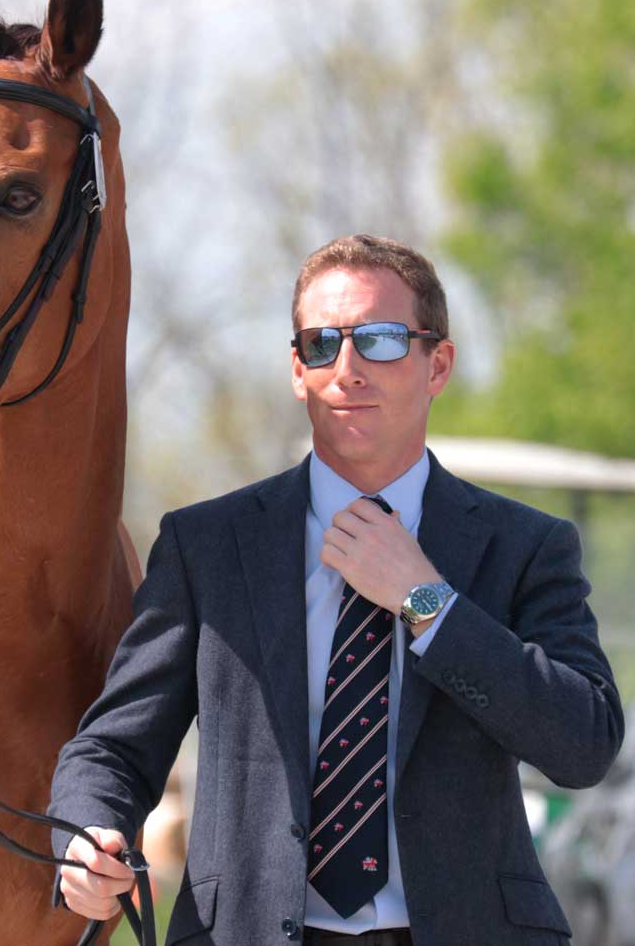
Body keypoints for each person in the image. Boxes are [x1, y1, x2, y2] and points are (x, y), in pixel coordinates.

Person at [47, 234, 624, 946]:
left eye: (380, 341)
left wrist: (427, 602)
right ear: (298, 370)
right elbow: (113, 748)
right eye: (322, 344)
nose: (347, 369)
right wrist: (87, 833)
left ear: (438, 364)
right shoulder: (208, 547)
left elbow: (583, 746)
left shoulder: (525, 547)